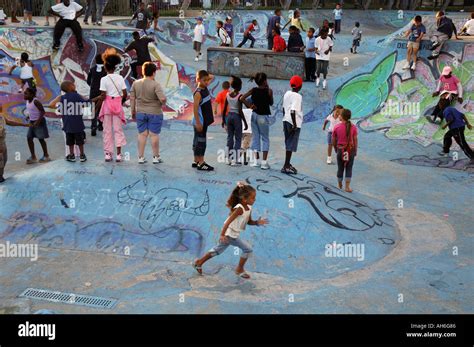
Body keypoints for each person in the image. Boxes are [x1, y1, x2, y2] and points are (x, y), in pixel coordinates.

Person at [192, 182, 269, 279]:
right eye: (252, 198)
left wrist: (257, 222)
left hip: (233, 234)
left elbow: (249, 222)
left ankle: (199, 262)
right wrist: (222, 235)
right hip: (230, 234)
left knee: (217, 250)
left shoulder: (249, 208)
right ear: (244, 199)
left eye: (255, 197)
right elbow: (227, 222)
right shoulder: (239, 209)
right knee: (247, 249)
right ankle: (239, 269)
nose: (255, 200)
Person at [130, 62, 167, 164]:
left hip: (140, 112)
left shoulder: (135, 83)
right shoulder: (156, 85)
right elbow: (162, 98)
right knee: (154, 135)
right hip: (155, 112)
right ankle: (156, 157)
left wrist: (133, 111)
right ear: (154, 73)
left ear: (143, 71)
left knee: (142, 134)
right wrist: (163, 102)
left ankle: (140, 157)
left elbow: (132, 98)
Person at [96, 49, 128, 162]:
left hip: (107, 107)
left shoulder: (103, 79)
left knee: (107, 131)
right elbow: (125, 94)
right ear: (115, 67)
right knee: (118, 130)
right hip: (117, 106)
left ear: (105, 67)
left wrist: (96, 107)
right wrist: (120, 101)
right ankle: (119, 155)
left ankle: (108, 154)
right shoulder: (120, 78)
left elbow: (103, 95)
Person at [240, 72, 273, 170]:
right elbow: (271, 103)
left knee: (255, 137)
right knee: (265, 138)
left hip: (253, 115)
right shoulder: (269, 91)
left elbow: (242, 98)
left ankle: (255, 161)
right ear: (264, 81)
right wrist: (268, 89)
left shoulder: (253, 90)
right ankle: (264, 162)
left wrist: (249, 106)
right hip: (263, 117)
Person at [50, 81, 88, 162]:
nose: (74, 85)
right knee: (80, 142)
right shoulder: (77, 96)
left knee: (70, 142)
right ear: (70, 87)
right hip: (78, 124)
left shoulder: (62, 98)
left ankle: (71, 155)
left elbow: (52, 105)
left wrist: (60, 98)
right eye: (73, 84)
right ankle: (82, 155)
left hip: (68, 125)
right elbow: (86, 103)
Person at [437, 98, 473, 163]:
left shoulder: (446, 111)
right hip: (459, 127)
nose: (439, 105)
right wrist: (467, 124)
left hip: (456, 128)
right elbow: (462, 115)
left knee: (462, 143)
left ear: (442, 104)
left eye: (439, 104)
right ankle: (445, 151)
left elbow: (451, 119)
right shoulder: (451, 108)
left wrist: (445, 126)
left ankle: (472, 157)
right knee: (447, 136)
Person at [192, 70, 215, 171]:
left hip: (204, 121)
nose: (207, 82)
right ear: (198, 80)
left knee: (197, 140)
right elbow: (195, 109)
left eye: (207, 80)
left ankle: (196, 160)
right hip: (200, 122)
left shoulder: (204, 87)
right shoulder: (198, 93)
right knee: (201, 142)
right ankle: (201, 163)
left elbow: (212, 76)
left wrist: (203, 76)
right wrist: (198, 122)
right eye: (204, 80)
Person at [0, 105, 30, 183]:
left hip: (2, 142)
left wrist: (23, 125)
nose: (1, 106)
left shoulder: (1, 116)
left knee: (4, 159)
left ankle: (1, 176)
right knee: (1, 160)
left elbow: (10, 122)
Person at [223, 76, 247, 166]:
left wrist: (223, 120)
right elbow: (240, 111)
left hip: (229, 116)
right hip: (236, 117)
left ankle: (228, 158)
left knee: (229, 137)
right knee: (238, 138)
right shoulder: (240, 96)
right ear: (239, 86)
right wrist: (244, 122)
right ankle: (235, 159)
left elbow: (225, 108)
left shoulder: (228, 95)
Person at [332, 109, 358, 193]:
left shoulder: (336, 127)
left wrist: (336, 148)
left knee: (340, 167)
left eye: (339, 115)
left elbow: (333, 140)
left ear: (342, 117)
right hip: (351, 150)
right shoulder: (353, 127)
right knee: (349, 168)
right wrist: (355, 150)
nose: (338, 116)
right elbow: (355, 140)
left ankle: (340, 184)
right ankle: (347, 187)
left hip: (340, 149)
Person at [281, 75, 303, 174]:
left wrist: (285, 119)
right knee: (290, 144)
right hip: (293, 122)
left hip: (285, 120)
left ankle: (287, 164)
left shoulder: (287, 93)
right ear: (299, 86)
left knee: (288, 142)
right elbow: (293, 110)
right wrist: (294, 124)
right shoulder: (298, 96)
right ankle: (286, 166)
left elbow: (283, 108)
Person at [24, 88, 51, 165]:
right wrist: (28, 116)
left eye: (26, 93)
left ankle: (46, 156)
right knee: (29, 138)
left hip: (40, 122)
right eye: (24, 93)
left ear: (32, 95)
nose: (24, 95)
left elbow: (42, 111)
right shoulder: (27, 101)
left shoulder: (36, 101)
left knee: (41, 139)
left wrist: (38, 121)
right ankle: (33, 157)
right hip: (32, 122)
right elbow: (32, 110)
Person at [87, 53, 107, 136]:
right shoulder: (106, 70)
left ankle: (93, 126)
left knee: (93, 110)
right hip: (102, 92)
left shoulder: (92, 69)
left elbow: (88, 81)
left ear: (95, 60)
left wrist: (92, 86)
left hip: (93, 92)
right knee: (101, 109)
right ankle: (100, 125)